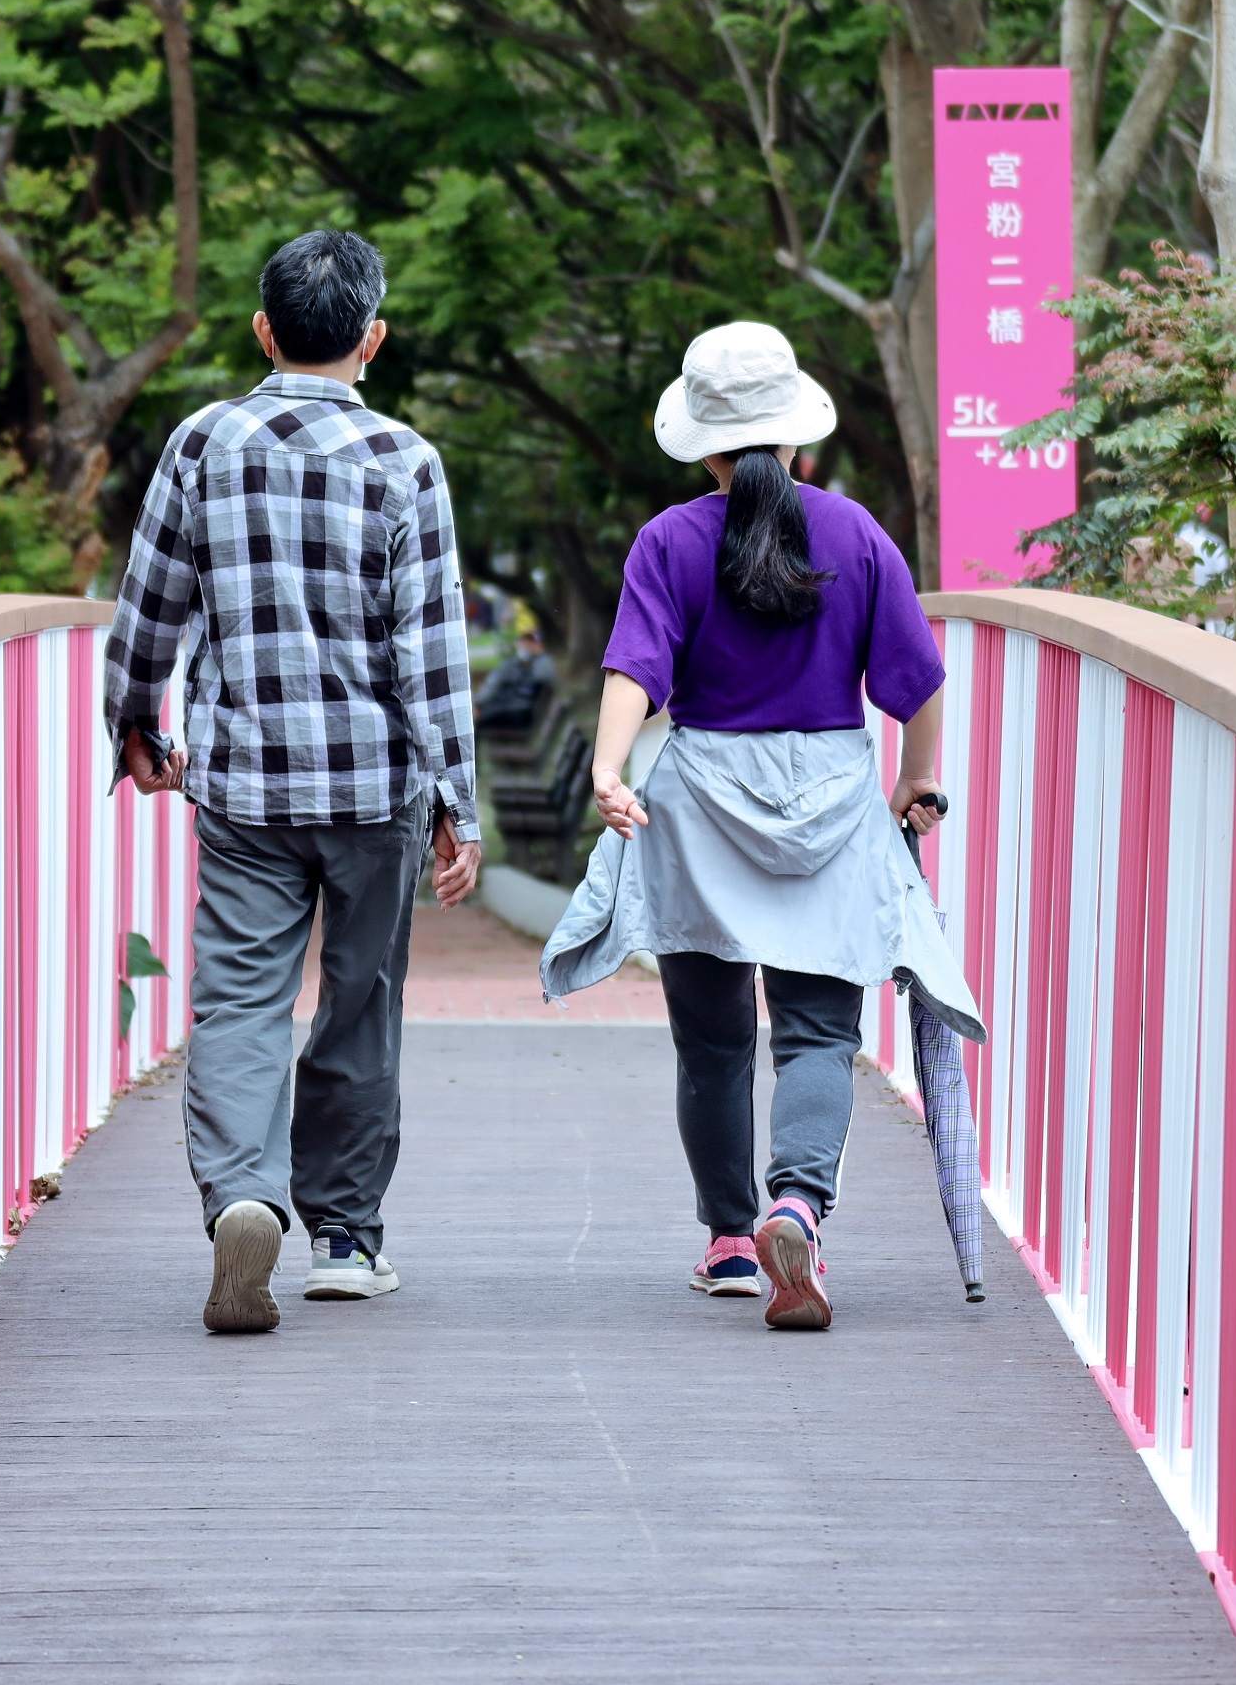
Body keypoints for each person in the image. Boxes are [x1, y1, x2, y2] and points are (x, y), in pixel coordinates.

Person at [539, 322, 979, 1332]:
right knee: (820, 1030)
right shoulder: (859, 535)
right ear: (799, 443)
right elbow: (917, 681)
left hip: (700, 804)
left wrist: (609, 768)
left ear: (703, 447)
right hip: (826, 794)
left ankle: (733, 1239)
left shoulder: (671, 540)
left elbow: (634, 672)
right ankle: (799, 1205)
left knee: (712, 1042)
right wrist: (917, 778)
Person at [103, 229, 483, 1335]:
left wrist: (136, 717)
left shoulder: (203, 443)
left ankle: (243, 1196)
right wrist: (458, 795)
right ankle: (348, 1238)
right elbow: (433, 648)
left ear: (262, 329)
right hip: (376, 791)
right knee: (360, 1003)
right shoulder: (406, 459)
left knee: (240, 1000)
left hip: (246, 787)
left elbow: (151, 602)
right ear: (374, 337)